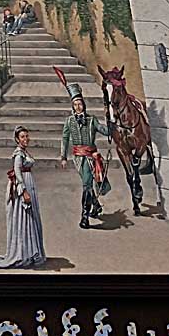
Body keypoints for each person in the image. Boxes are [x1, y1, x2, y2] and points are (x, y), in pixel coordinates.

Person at [0, 126, 46, 269]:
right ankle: (22, 254)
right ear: (17, 139)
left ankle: (31, 252)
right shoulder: (18, 154)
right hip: (22, 184)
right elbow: (17, 173)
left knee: (31, 218)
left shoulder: (24, 151)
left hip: (29, 182)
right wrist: (23, 191)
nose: (26, 139)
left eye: (27, 136)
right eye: (23, 137)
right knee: (24, 218)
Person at [59, 84, 110, 229]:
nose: (78, 107)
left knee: (86, 186)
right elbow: (65, 139)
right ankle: (97, 206)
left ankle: (84, 217)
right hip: (77, 159)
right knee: (87, 184)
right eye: (75, 104)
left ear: (84, 104)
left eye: (80, 103)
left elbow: (104, 131)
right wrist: (63, 157)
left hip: (90, 157)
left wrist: (111, 122)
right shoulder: (69, 121)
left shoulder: (92, 120)